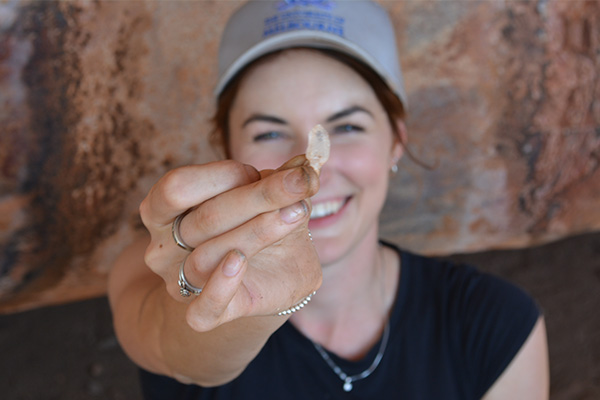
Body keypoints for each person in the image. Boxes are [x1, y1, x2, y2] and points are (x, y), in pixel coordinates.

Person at [108, 1, 549, 399]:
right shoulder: (159, 267)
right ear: (226, 149)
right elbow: (183, 354)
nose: (311, 171)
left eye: (349, 127)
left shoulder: (496, 323)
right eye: (269, 132)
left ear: (396, 140)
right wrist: (244, 303)